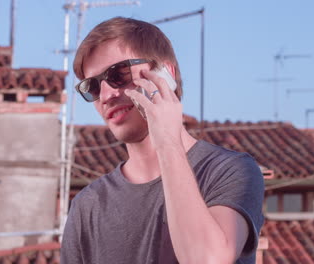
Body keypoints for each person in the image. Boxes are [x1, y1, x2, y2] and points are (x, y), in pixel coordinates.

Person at [61, 17, 264, 264]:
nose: (105, 95)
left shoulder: (230, 170)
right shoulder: (87, 206)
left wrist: (167, 142)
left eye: (119, 74)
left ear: (165, 74)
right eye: (91, 87)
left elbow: (207, 259)